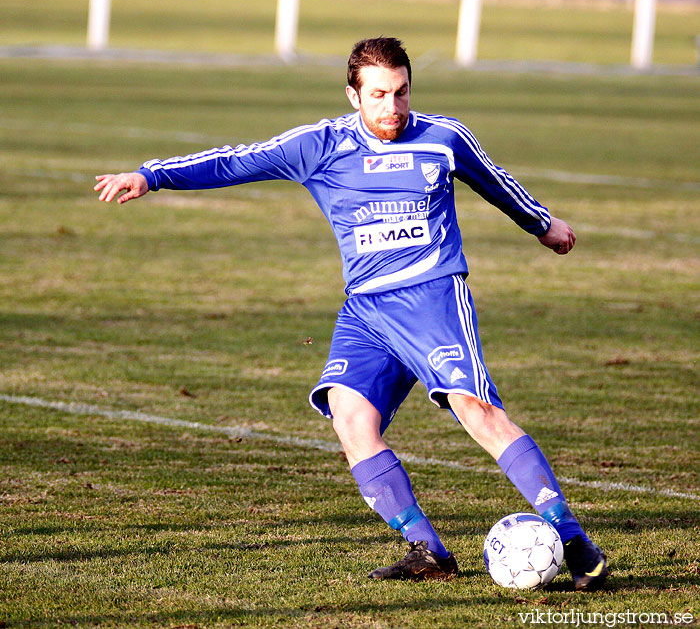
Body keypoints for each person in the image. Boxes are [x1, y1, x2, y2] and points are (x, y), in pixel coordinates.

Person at [95, 37, 608, 591]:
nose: (393, 107)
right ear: (353, 95)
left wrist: (542, 224)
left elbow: (494, 180)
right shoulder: (319, 144)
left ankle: (576, 544)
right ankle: (426, 547)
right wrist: (152, 174)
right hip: (365, 310)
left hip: (431, 294)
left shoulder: (443, 138)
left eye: (402, 92)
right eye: (380, 94)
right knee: (350, 417)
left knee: (476, 411)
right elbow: (236, 160)